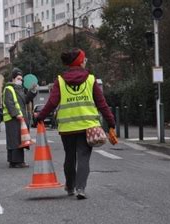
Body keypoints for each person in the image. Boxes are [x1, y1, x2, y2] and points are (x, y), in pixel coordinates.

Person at [37, 48, 118, 199]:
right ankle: (80, 188)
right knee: (83, 157)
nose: (85, 60)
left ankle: (70, 187)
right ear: (80, 62)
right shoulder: (90, 80)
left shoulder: (60, 81)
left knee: (69, 157)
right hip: (88, 127)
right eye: (84, 58)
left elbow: (52, 102)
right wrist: (111, 123)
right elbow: (102, 104)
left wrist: (40, 117)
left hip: (67, 128)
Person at [3, 67, 37, 168]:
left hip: (18, 118)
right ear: (13, 79)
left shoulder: (20, 89)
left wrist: (33, 91)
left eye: (21, 79)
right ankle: (18, 162)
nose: (20, 81)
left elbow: (25, 100)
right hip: (14, 119)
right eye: (18, 78)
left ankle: (13, 161)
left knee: (16, 140)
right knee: (16, 140)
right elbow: (9, 103)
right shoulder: (9, 89)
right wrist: (16, 114)